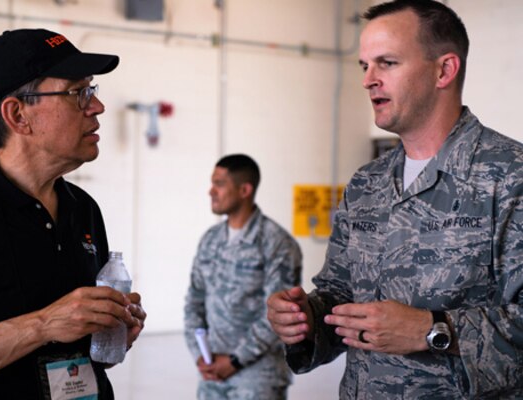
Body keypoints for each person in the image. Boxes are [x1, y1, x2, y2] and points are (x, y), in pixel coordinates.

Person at [267, 0, 523, 399]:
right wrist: (305, 318)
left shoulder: (510, 176)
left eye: (386, 63)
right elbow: (339, 295)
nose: (368, 79)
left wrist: (432, 330)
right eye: (364, 66)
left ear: (444, 70)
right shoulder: (367, 183)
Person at [0, 29, 147, 399]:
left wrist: (110, 331)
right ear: (18, 115)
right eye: (78, 93)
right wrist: (42, 325)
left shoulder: (83, 209)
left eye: (93, 90)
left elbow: (77, 351)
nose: (97, 106)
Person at [184, 154, 302, 400]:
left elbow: (279, 314)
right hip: (212, 372)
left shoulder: (277, 243)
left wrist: (236, 360)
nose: (211, 191)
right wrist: (200, 354)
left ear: (244, 190)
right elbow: (194, 300)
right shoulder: (210, 240)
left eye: (219, 184)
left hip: (258, 378)